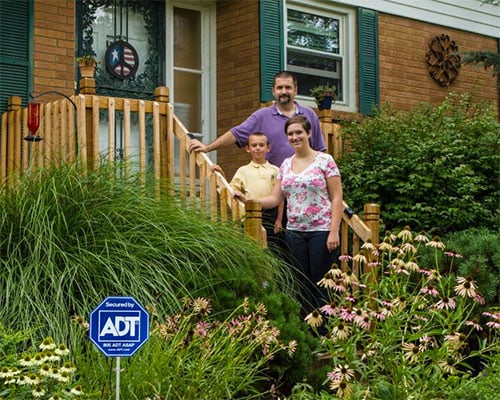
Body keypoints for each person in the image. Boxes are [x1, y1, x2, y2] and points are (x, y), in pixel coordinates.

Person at [234, 115, 343, 316]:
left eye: (299, 132)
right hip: (295, 233)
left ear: (309, 133)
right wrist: (248, 201)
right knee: (301, 285)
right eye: (290, 134)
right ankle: (308, 333)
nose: (295, 137)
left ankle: (326, 333)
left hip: (322, 231)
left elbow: (337, 198)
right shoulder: (285, 165)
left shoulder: (325, 161)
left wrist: (334, 231)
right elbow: (275, 198)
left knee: (323, 284)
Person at [188, 70, 326, 168]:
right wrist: (207, 148)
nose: (283, 91)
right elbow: (236, 134)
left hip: (304, 186)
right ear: (273, 91)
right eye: (279, 88)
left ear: (295, 90)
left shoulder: (309, 115)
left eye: (288, 87)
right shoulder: (261, 116)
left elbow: (320, 151)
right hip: (272, 185)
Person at [211, 132, 286, 254]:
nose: (257, 148)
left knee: (272, 249)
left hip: (271, 215)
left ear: (268, 148)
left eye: (261, 145)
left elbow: (280, 198)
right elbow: (230, 190)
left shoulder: (276, 170)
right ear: (248, 149)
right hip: (249, 214)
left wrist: (279, 219)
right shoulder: (243, 171)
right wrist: (221, 173)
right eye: (254, 145)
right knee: (252, 248)